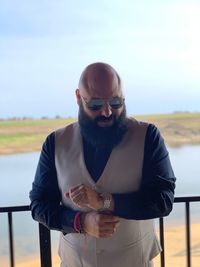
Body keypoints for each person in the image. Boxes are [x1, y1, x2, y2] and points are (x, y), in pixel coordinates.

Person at [29, 62, 176, 267]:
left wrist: (104, 201)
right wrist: (80, 223)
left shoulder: (148, 136)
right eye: (96, 105)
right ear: (79, 98)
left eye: (116, 102)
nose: (107, 112)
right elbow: (39, 204)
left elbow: (163, 200)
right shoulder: (55, 143)